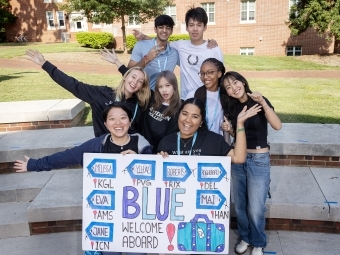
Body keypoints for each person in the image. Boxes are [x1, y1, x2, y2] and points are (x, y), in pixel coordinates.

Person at [220, 71, 282, 255]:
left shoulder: (258, 100)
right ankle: (245, 237)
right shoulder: (231, 108)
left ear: (243, 82)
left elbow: (277, 125)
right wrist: (231, 130)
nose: (233, 88)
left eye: (235, 83)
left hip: (259, 159)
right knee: (240, 205)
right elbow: (240, 137)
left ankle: (258, 242)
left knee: (255, 206)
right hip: (238, 159)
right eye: (228, 88)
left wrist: (263, 103)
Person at [25, 49, 151, 137]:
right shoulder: (101, 94)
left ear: (141, 87)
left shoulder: (139, 104)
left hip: (128, 152)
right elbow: (73, 85)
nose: (135, 82)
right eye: (133, 77)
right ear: (125, 76)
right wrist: (45, 64)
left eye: (140, 81)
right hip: (105, 149)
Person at [14, 102, 152, 172]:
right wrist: (34, 165)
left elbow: (155, 171)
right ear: (105, 124)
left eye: (123, 118)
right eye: (112, 119)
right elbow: (65, 157)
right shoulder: (96, 146)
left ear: (130, 121)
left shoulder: (142, 145)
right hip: (109, 208)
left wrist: (139, 160)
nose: (118, 123)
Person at [134, 7, 223, 100]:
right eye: (191, 25)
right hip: (186, 99)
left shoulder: (214, 50)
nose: (195, 29)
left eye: (199, 25)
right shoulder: (180, 45)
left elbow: (221, 78)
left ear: (205, 27)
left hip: (208, 99)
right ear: (187, 28)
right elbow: (163, 41)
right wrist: (144, 37)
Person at [157, 98, 262, 162]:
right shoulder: (166, 143)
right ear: (178, 115)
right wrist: (158, 161)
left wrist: (240, 124)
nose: (188, 120)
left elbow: (239, 158)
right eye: (184, 114)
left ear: (201, 122)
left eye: (195, 116)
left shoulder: (214, 140)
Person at [127, 15, 179, 91]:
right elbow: (128, 72)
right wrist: (147, 59)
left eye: (168, 28)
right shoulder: (141, 45)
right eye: (161, 27)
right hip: (143, 95)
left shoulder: (175, 52)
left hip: (164, 96)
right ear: (155, 29)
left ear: (171, 31)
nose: (164, 30)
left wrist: (145, 36)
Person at [185, 58, 228, 142]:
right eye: (202, 73)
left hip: (218, 143)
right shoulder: (193, 95)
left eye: (210, 72)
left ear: (219, 73)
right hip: (196, 142)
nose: (205, 77)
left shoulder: (225, 96)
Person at [141, 70, 181, 153]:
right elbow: (136, 82)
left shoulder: (179, 109)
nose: (164, 90)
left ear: (174, 86)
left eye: (167, 85)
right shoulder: (150, 99)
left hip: (159, 152)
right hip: (141, 147)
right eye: (160, 87)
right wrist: (117, 62)